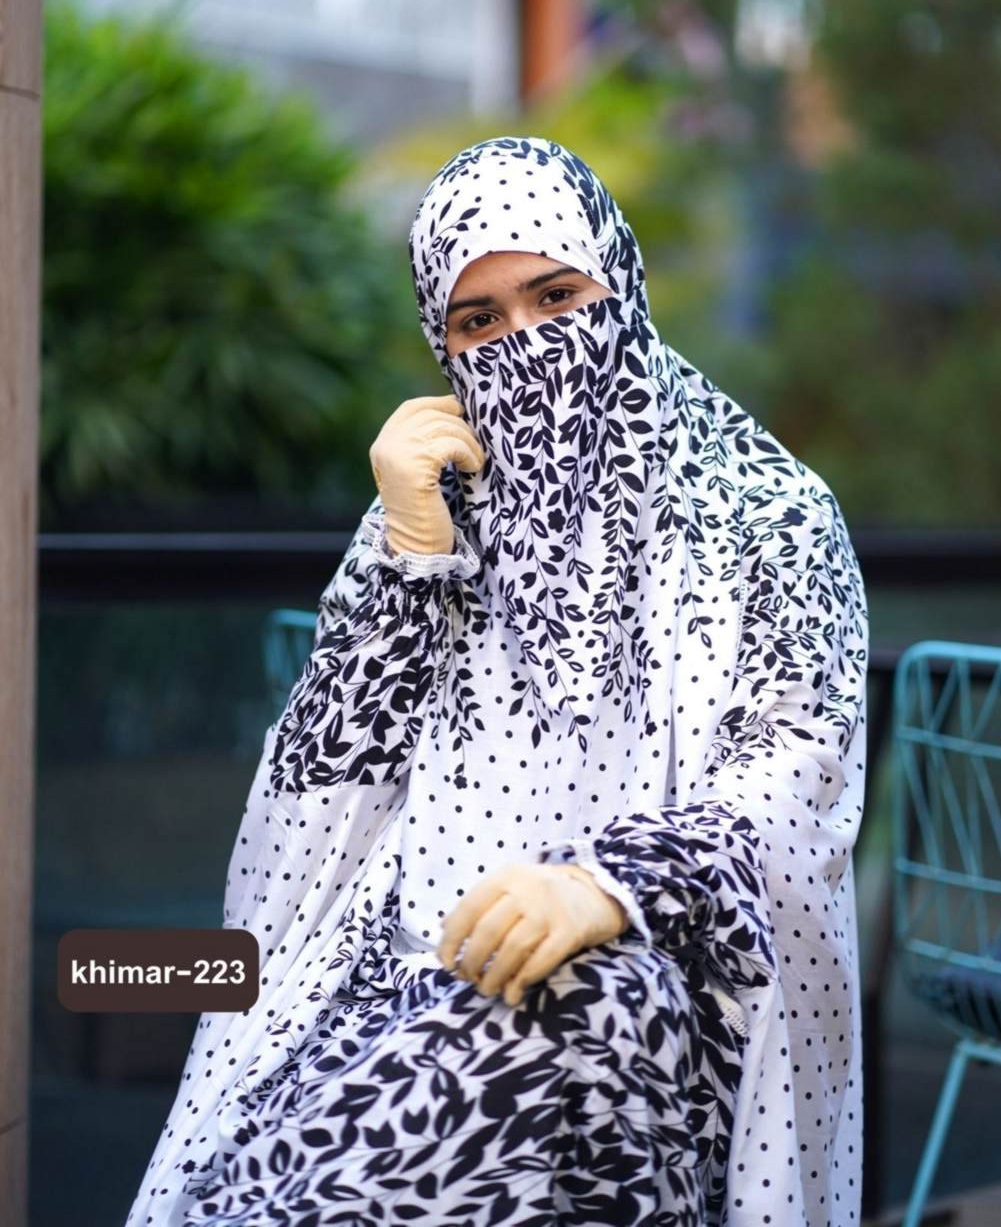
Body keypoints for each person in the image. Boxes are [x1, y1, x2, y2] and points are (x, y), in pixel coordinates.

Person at [124, 134, 868, 1227]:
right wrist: (411, 561)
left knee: (582, 1006)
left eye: (557, 295)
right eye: (479, 321)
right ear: (444, 347)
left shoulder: (768, 513)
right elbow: (315, 797)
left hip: (652, 976)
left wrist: (602, 886)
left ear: (621, 286)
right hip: (401, 968)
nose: (526, 341)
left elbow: (793, 772)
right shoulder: (432, 506)